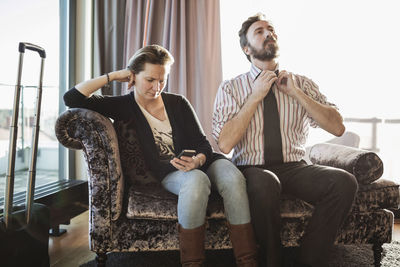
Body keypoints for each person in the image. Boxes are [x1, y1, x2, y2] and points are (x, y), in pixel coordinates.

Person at [64, 44, 258, 267]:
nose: (157, 87)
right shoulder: (123, 106)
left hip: (205, 161)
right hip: (171, 172)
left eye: (162, 80)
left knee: (234, 178)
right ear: (133, 76)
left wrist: (198, 160)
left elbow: (203, 144)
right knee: (196, 181)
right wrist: (114, 76)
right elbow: (72, 98)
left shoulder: (178, 103)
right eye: (150, 80)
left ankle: (248, 261)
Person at [212, 14, 358, 267]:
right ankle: (273, 262)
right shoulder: (231, 88)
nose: (269, 33)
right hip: (252, 169)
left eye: (271, 29)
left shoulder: (301, 83)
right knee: (265, 183)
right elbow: (224, 144)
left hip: (295, 167)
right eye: (259, 31)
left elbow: (337, 127)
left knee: (344, 181)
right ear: (246, 49)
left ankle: (310, 261)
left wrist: (296, 93)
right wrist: (255, 96)